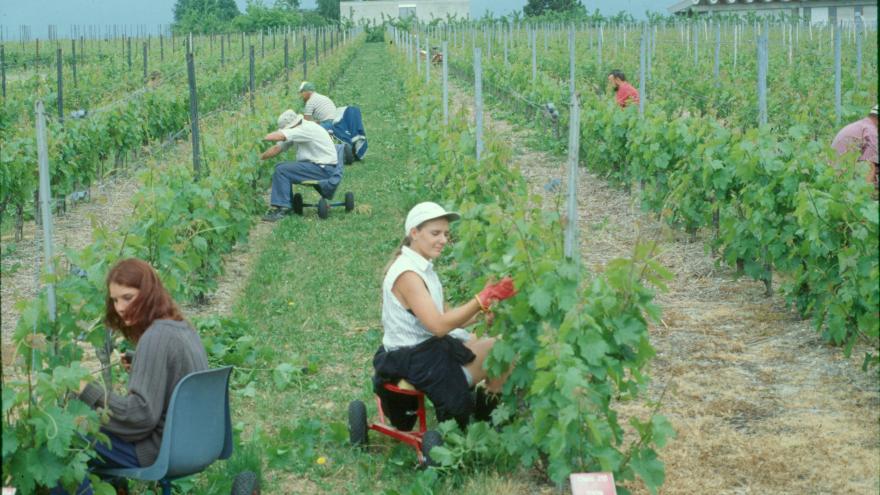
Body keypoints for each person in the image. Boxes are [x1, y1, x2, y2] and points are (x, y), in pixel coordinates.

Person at [55, 258, 209, 494]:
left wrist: (88, 389)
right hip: (196, 442)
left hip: (160, 450)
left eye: (127, 297)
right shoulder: (183, 328)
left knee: (67, 442)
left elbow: (139, 417)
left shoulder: (155, 337)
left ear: (148, 293)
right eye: (115, 300)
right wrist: (144, 366)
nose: (119, 307)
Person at [373, 202, 518, 429]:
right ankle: (486, 425)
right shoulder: (408, 274)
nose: (443, 240)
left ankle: (481, 419)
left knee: (475, 340)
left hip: (421, 348)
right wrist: (482, 299)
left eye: (446, 234)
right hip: (415, 357)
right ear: (414, 233)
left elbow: (446, 315)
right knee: (500, 351)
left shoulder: (419, 266)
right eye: (435, 233)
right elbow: (439, 326)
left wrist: (482, 312)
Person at [259, 109, 343, 222]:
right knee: (281, 167)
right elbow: (277, 148)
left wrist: (259, 138)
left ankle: (283, 208)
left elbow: (279, 136)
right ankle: (286, 205)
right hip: (319, 166)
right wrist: (260, 158)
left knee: (282, 170)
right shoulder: (299, 129)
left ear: (291, 125)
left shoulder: (304, 129)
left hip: (323, 168)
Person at [831, 105, 878, 187]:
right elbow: (868, 167)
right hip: (842, 179)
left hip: (831, 174)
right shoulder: (872, 132)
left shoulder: (861, 125)